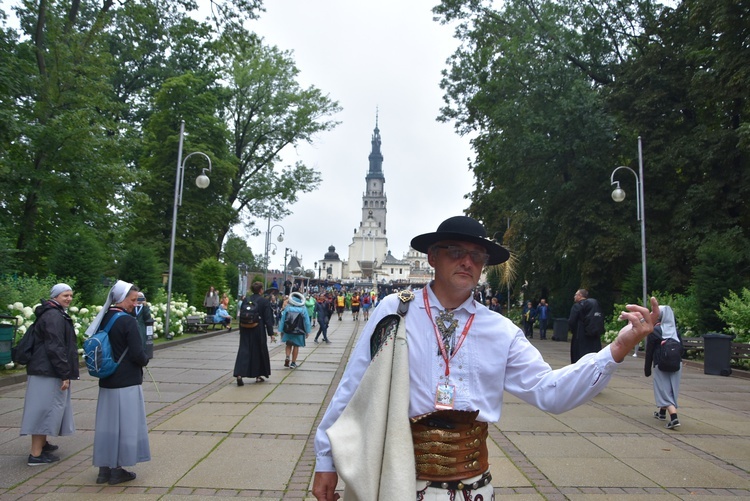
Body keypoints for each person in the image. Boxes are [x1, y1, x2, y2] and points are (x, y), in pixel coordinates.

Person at [311, 215, 659, 501]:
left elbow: (550, 391)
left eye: (477, 256)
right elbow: (352, 386)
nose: (467, 261)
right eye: (456, 251)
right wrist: (326, 460)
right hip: (398, 481)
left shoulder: (500, 330)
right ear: (432, 257)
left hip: (472, 489)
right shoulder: (396, 311)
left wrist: (618, 348)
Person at [88, 280, 150, 485]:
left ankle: (103, 470)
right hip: (126, 381)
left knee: (107, 426)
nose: (135, 304)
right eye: (132, 300)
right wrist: (145, 360)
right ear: (121, 299)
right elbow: (137, 353)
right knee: (125, 425)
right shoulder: (127, 321)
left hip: (107, 379)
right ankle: (117, 469)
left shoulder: (104, 318)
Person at [20, 283, 78, 466]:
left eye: (70, 295)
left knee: (44, 409)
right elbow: (55, 346)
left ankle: (42, 445)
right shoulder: (54, 315)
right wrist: (64, 373)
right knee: (43, 411)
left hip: (43, 368)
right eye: (65, 295)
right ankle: (35, 455)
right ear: (55, 296)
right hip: (48, 370)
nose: (68, 298)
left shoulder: (52, 312)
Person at [644, 305, 682, 429]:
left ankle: (674, 417)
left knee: (663, 389)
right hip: (677, 364)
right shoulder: (675, 331)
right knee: (671, 388)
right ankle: (661, 412)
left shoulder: (655, 330)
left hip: (660, 363)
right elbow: (682, 349)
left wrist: (647, 368)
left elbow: (649, 351)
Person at [234, 282, 276, 385]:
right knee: (259, 350)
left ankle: (239, 373)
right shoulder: (264, 301)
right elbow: (267, 319)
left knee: (244, 350)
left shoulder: (246, 300)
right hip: (258, 328)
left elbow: (242, 315)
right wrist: (271, 333)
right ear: (261, 290)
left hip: (245, 328)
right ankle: (258, 375)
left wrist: (241, 329)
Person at [568, 289, 603, 363]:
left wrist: (573, 331)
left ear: (580, 296)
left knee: (578, 359)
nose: (574, 296)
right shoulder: (593, 306)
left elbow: (572, 321)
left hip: (580, 337)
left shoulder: (577, 306)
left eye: (575, 294)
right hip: (594, 338)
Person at [279, 291, 311, 369]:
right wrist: (307, 331)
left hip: (288, 329)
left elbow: (283, 319)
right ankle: (293, 363)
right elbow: (307, 321)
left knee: (288, 344)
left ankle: (287, 357)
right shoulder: (303, 308)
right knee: (296, 346)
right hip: (299, 331)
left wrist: (281, 330)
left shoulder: (288, 307)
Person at [134, 292, 153, 359]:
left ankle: (143, 353)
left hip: (141, 326)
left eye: (140, 298)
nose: (139, 299)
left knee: (142, 339)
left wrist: (145, 306)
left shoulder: (144, 307)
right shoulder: (133, 306)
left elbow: (147, 317)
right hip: (134, 325)